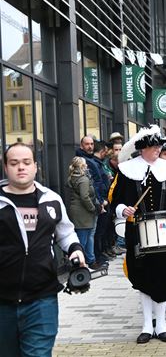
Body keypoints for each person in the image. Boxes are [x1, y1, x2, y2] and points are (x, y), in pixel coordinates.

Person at [0, 143, 85, 356]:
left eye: (26, 162)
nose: (21, 167)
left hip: (42, 299)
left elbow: (65, 232)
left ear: (35, 167)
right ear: (5, 167)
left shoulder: (51, 200)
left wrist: (75, 249)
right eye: (14, 163)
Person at [108, 125, 166, 344]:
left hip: (164, 232)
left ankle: (161, 325)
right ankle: (146, 325)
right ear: (142, 148)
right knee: (142, 277)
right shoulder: (126, 170)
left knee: (164, 276)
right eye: (153, 147)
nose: (157, 150)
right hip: (137, 231)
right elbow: (115, 198)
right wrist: (123, 209)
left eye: (159, 146)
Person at [67, 156, 100, 268]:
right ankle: (82, 263)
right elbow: (85, 197)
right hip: (83, 212)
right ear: (82, 166)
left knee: (84, 236)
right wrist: (93, 208)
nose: (87, 166)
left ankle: (88, 260)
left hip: (76, 210)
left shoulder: (72, 177)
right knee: (84, 238)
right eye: (85, 164)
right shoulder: (84, 179)